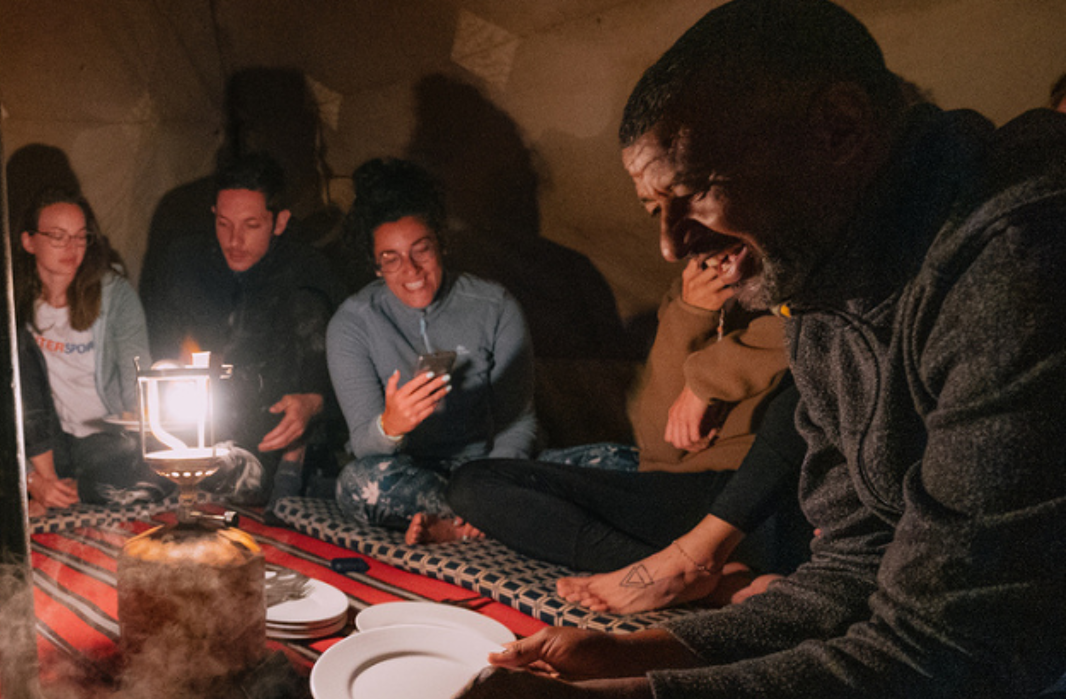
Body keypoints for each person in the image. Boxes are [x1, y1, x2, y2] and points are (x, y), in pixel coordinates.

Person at [406, 0, 1066, 699]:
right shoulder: (828, 280)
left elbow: (944, 654)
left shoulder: (1019, 259)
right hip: (983, 644)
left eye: (697, 193)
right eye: (654, 213)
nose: (674, 248)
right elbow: (850, 573)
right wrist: (646, 652)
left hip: (1030, 647)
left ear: (839, 129)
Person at [446, 255, 806, 610]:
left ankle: (688, 568)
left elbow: (807, 332)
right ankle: (693, 576)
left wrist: (705, 382)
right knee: (473, 484)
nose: (713, 255)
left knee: (802, 393)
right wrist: (690, 312)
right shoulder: (691, 296)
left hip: (764, 503)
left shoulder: (813, 304)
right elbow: (660, 448)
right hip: (673, 498)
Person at [325, 157, 535, 543]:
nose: (412, 270)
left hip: (487, 470)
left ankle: (462, 522)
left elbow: (518, 422)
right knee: (358, 485)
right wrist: (391, 426)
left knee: (617, 463)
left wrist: (493, 489)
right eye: (391, 259)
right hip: (411, 476)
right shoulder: (352, 323)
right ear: (375, 266)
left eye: (421, 250)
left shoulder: (494, 305)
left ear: (441, 242)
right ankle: (481, 523)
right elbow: (363, 445)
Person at [140, 152, 340, 506]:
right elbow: (159, 347)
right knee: (116, 479)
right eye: (224, 224)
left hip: (275, 422)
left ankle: (290, 472)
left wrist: (315, 399)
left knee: (243, 485)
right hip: (198, 422)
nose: (234, 240)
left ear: (279, 222)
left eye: (251, 226)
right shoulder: (185, 263)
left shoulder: (307, 270)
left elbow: (344, 364)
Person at [11, 186, 169, 513]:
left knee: (150, 474)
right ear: (29, 241)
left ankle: (69, 491)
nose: (71, 247)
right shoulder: (12, 302)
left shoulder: (114, 296)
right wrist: (31, 477)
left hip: (101, 436)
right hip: (40, 442)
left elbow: (137, 376)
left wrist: (151, 440)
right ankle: (40, 484)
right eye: (58, 236)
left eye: (80, 237)